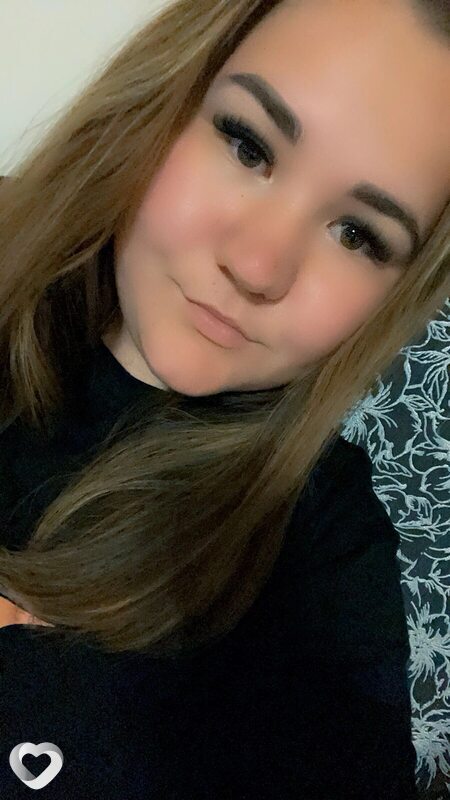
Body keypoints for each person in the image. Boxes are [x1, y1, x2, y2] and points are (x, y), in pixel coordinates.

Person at [0, 0, 448, 797]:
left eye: (358, 235)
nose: (258, 265)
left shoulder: (322, 549)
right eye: (249, 145)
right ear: (163, 98)